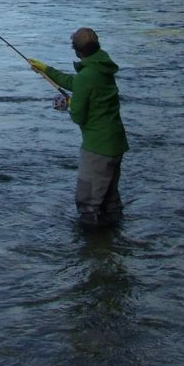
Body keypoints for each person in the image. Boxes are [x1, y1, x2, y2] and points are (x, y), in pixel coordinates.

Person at [29, 27, 128, 227]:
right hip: (115, 143)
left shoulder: (87, 76)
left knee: (88, 203)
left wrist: (70, 105)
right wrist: (46, 70)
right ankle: (115, 242)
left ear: (78, 51)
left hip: (97, 147)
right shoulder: (101, 68)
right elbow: (75, 83)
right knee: (110, 201)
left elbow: (78, 116)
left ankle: (91, 249)